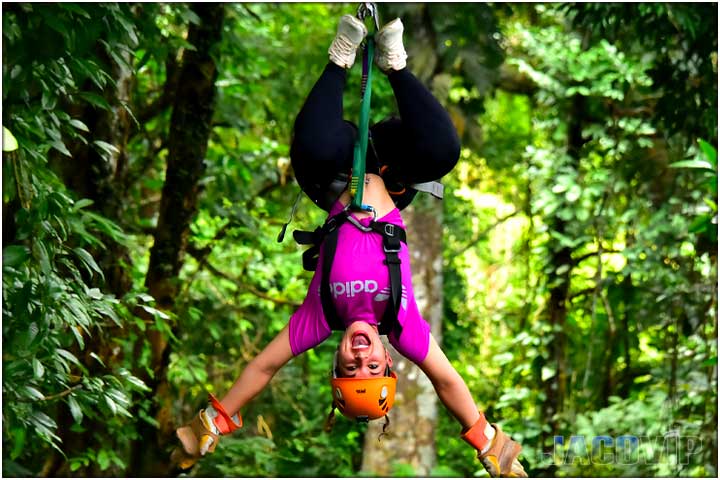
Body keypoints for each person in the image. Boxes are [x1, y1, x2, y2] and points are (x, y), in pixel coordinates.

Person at [173, 14, 527, 478]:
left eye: (350, 368)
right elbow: (446, 380)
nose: (361, 358)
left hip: (335, 169)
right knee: (443, 150)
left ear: (335, 363)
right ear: (387, 363)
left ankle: (340, 58)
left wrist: (211, 425)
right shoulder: (401, 324)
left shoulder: (317, 320)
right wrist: (491, 447)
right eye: (372, 367)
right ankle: (395, 64)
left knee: (314, 143)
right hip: (391, 166)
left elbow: (262, 370)